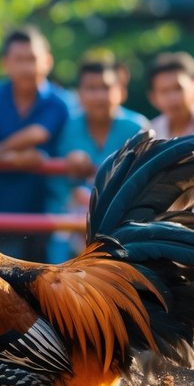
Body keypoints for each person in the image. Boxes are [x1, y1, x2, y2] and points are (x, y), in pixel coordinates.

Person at [0, 26, 72, 261]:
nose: (27, 67)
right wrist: (23, 158)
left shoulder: (61, 103)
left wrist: (0, 152)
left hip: (44, 213)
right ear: (5, 63)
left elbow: (37, 134)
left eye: (32, 59)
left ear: (47, 61)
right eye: (19, 59)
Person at [46, 60, 145, 262]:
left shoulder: (138, 128)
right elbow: (57, 185)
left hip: (123, 222)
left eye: (106, 88)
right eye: (91, 88)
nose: (99, 96)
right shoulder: (68, 127)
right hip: (70, 223)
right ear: (79, 94)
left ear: (121, 91)